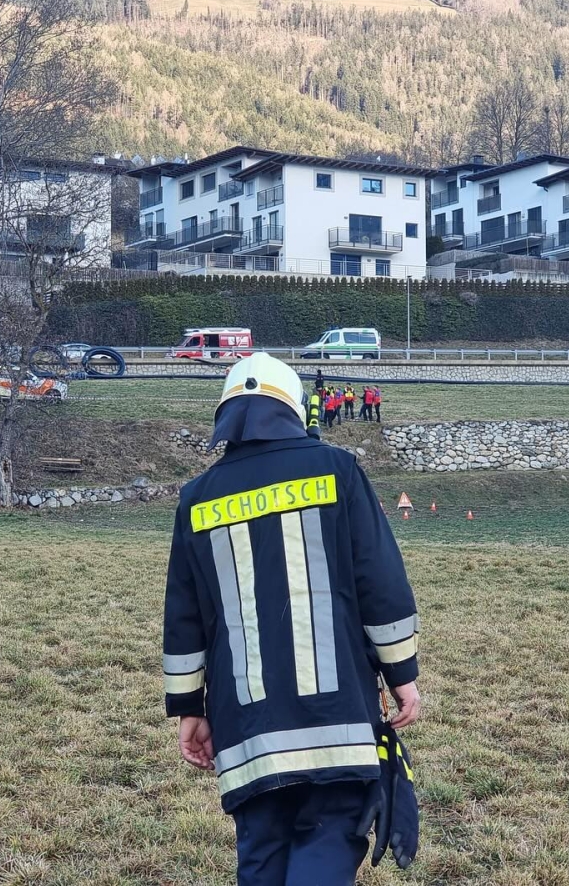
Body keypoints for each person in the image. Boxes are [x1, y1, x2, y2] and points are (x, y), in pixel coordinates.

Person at [163, 353, 421, 886]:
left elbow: (183, 618)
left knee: (262, 852)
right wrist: (402, 675)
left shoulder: (197, 498)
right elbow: (381, 582)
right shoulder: (337, 470)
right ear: (293, 407)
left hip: (247, 726)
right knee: (328, 839)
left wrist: (189, 708)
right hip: (337, 716)